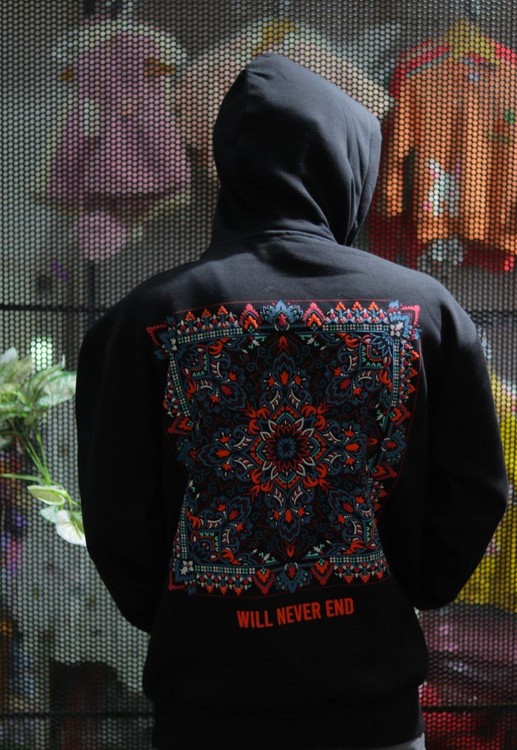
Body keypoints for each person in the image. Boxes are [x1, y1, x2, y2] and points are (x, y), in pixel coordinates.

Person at [75, 53, 508, 750]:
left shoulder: (142, 321)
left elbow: (116, 511)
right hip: (373, 710)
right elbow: (475, 489)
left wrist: (190, 615)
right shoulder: (427, 312)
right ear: (347, 164)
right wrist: (404, 589)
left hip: (207, 712)